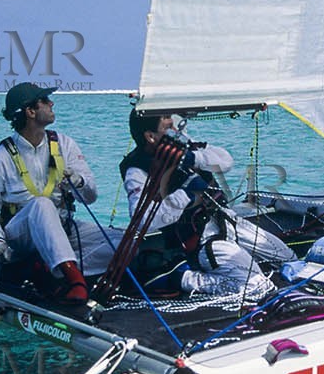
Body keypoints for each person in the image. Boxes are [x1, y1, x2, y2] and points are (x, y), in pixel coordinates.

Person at [118, 109, 276, 300]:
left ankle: (233, 264)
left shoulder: (184, 145)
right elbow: (143, 220)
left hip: (226, 222)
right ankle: (184, 278)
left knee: (287, 258)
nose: (173, 124)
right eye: (166, 119)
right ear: (150, 136)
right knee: (257, 288)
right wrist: (185, 196)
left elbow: (226, 161)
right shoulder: (137, 171)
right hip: (201, 238)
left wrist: (195, 158)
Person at [0, 82, 97, 304]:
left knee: (125, 244)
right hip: (21, 236)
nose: (51, 103)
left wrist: (78, 182)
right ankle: (75, 281)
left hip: (63, 228)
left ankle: (46, 268)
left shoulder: (65, 145)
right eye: (45, 100)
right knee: (41, 204)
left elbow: (91, 197)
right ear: (30, 111)